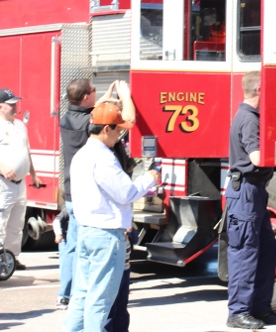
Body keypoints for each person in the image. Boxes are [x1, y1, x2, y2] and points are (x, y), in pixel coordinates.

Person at [64, 102, 159, 332]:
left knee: (81, 296)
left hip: (86, 229)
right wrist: (149, 178)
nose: (120, 136)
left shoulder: (82, 154)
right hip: (106, 234)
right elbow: (126, 193)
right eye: (118, 130)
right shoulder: (103, 157)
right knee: (100, 300)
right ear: (106, 129)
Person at [57, 79, 135, 309]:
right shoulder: (90, 126)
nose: (97, 93)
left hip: (72, 192)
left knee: (74, 247)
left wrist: (107, 97)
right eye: (94, 91)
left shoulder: (66, 119)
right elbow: (128, 120)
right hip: (89, 194)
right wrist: (125, 94)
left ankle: (66, 294)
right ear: (86, 98)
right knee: (89, 253)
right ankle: (83, 297)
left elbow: (90, 109)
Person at [225, 71, 276, 330]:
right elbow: (258, 158)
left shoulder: (253, 117)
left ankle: (260, 308)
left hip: (255, 192)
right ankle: (238, 312)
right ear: (260, 89)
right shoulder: (249, 119)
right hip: (246, 193)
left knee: (265, 251)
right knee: (245, 253)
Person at [0, 88, 42, 271]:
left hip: (20, 183)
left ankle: (12, 258)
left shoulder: (20, 125)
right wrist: (2, 168)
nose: (15, 106)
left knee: (17, 223)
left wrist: (33, 173)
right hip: (4, 183)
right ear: (1, 107)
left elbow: (27, 152)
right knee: (1, 222)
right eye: (11, 104)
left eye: (15, 103)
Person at [105, 227, 137, 332]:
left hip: (125, 270)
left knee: (121, 308)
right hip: (113, 272)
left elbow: (135, 240)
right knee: (110, 309)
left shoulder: (126, 227)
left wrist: (131, 230)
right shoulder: (109, 229)